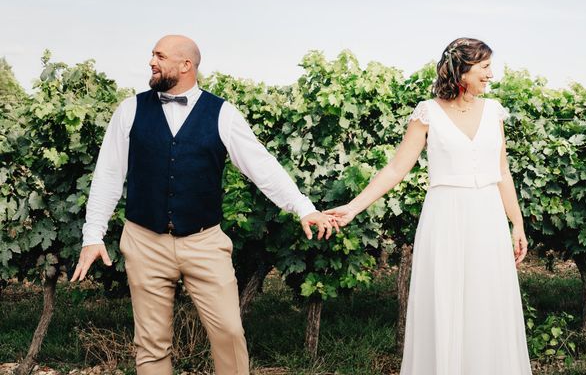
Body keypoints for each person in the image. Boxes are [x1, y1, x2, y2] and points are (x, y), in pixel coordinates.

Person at [70, 35, 337, 375]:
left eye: (160, 56)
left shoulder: (222, 113)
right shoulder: (130, 110)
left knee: (229, 332)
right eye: (152, 54)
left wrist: (303, 207)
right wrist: (93, 235)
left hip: (205, 242)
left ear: (186, 65)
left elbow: (262, 167)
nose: (151, 61)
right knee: (151, 344)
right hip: (144, 240)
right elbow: (108, 175)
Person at [325, 38, 532, 374]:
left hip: (488, 218)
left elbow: (502, 172)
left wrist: (517, 223)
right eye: (484, 67)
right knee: (447, 303)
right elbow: (396, 168)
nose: (491, 74)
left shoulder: (494, 112)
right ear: (463, 70)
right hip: (446, 218)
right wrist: (353, 207)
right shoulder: (428, 112)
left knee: (487, 303)